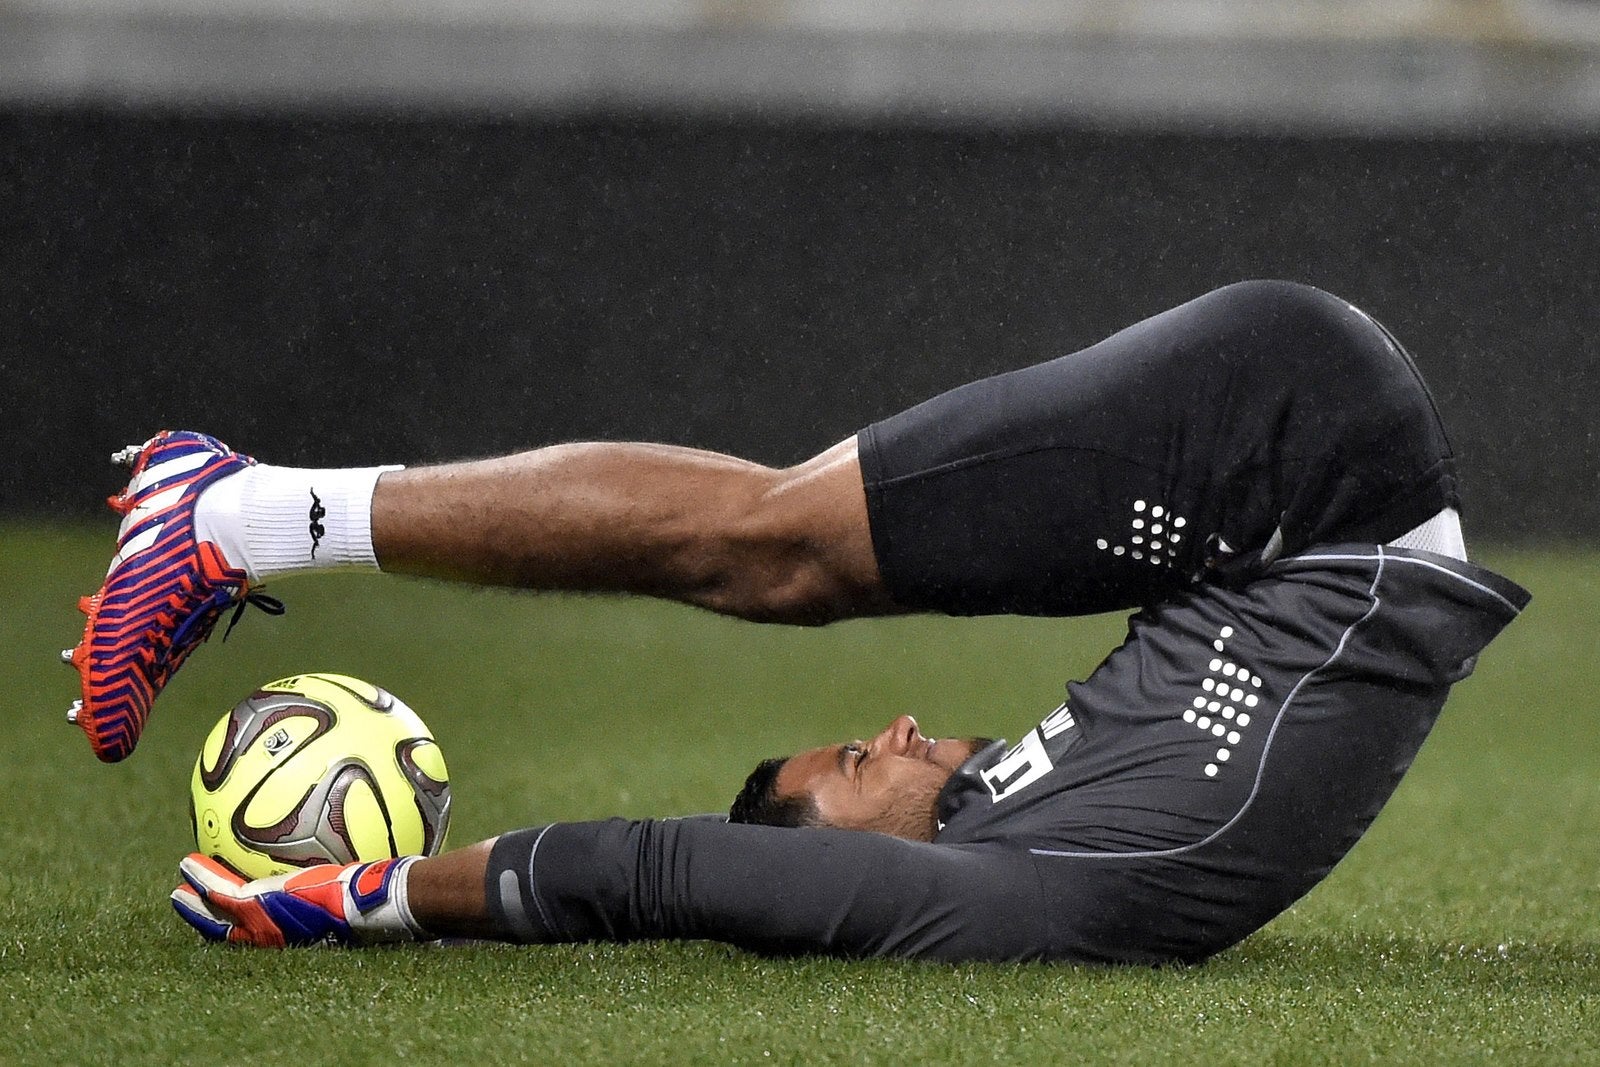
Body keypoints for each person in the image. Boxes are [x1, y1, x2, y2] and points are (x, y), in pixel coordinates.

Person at [66, 280, 1528, 964]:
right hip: (1305, 465)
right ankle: (232, 515)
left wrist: (362, 897)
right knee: (767, 557)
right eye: (849, 767)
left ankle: (242, 515)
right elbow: (683, 876)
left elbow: (688, 868)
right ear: (856, 879)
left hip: (1287, 477)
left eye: (844, 752)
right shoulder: (1021, 895)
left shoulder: (1033, 850)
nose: (889, 728)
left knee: (772, 554)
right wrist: (368, 899)